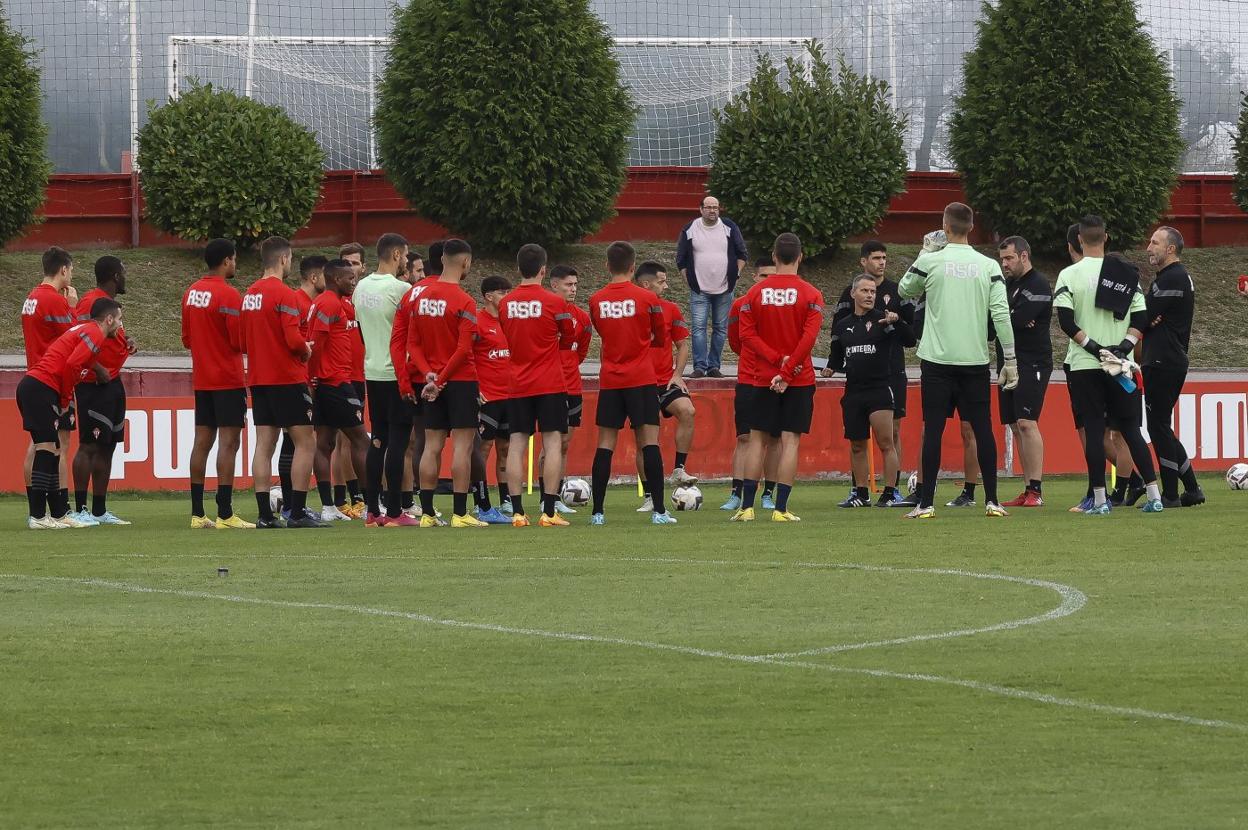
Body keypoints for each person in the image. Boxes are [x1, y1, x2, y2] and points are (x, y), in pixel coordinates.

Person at [898, 203, 1017, 519]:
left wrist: (925, 252)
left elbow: (904, 288)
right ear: (972, 226)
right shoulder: (988, 265)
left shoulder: (933, 261)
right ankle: (992, 501)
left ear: (945, 226)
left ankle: (925, 504)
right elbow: (1001, 314)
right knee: (983, 429)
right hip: (974, 360)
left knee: (934, 429)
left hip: (937, 360)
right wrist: (1012, 359)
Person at [1053, 215, 1163, 514]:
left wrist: (1095, 348)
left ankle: (1100, 501)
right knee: (1130, 430)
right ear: (1106, 238)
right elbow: (1141, 318)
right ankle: (1154, 496)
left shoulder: (1069, 275)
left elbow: (1065, 321)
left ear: (1079, 240)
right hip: (1120, 365)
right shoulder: (1126, 274)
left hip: (1086, 366)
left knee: (1093, 428)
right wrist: (1122, 348)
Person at [734, 232, 825, 523]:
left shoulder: (754, 294)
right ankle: (780, 509)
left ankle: (746, 508)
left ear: (774, 257)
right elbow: (809, 338)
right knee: (790, 442)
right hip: (798, 378)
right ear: (800, 257)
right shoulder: (811, 294)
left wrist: (776, 362)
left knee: (757, 440)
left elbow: (746, 335)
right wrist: (788, 369)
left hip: (762, 377)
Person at [241, 236, 326, 529]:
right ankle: (297, 511)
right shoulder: (285, 295)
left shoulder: (249, 294)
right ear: (283, 259)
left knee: (264, 444)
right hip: (286, 378)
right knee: (306, 442)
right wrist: (307, 348)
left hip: (259, 377)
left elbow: (242, 339)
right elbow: (292, 340)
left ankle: (265, 514)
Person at [588, 241, 674, 525]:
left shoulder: (596, 300)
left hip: (611, 380)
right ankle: (659, 511)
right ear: (633, 267)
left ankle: (598, 512)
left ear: (607, 265)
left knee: (605, 444)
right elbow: (661, 338)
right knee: (649, 442)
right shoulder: (648, 299)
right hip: (641, 378)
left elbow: (601, 331)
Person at [17, 298, 123, 529]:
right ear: (108, 319)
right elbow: (72, 365)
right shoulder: (95, 334)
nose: (120, 326)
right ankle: (37, 516)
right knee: (46, 448)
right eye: (119, 320)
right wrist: (65, 399)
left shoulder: (89, 330)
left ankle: (56, 514)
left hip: (39, 387)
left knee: (54, 449)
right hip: (40, 387)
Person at [402, 238, 485, 528]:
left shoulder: (421, 297)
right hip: (460, 380)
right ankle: (460, 514)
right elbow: (464, 349)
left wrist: (429, 376)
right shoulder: (465, 301)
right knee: (462, 447)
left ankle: (426, 513)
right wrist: (444, 379)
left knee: (431, 445)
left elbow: (412, 343)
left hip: (431, 382)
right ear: (465, 262)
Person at [826, 240, 914, 506]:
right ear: (853, 294)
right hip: (854, 390)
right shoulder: (843, 326)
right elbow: (837, 355)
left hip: (880, 388)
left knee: (886, 441)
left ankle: (889, 492)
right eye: (864, 290)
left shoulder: (884, 320)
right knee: (856, 443)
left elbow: (910, 340)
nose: (869, 295)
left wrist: (897, 322)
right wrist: (830, 366)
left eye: (872, 291)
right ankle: (860, 493)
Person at [497, 243, 577, 527]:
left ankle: (518, 512)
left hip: (517, 382)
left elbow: (507, 333)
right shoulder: (556, 303)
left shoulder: (505, 303)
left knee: (517, 443)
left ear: (518, 269)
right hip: (550, 382)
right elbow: (568, 338)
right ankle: (550, 511)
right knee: (553, 442)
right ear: (544, 270)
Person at [182, 239, 253, 529]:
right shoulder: (229, 295)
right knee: (229, 443)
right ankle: (225, 513)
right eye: (234, 259)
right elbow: (239, 341)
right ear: (226, 261)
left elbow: (186, 338)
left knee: (202, 442)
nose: (235, 264)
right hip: (227, 378)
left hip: (203, 380)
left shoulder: (190, 293)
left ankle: (198, 513)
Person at [69, 256, 137, 526]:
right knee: (89, 445)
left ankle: (99, 510)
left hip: (114, 383)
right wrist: (96, 368)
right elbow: (77, 337)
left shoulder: (110, 306)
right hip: (93, 385)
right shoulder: (89, 301)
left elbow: (110, 334)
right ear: (114, 276)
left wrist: (127, 340)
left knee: (108, 446)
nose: (125, 276)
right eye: (123, 271)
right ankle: (80, 509)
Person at [354, 232, 414, 526]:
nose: (407, 260)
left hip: (372, 370)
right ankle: (393, 512)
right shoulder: (401, 289)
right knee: (398, 442)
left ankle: (371, 510)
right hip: (396, 373)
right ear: (395, 255)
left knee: (377, 439)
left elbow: (362, 331)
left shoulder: (360, 287)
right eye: (405, 255)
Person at [1142, 226, 1203, 507]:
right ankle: (1191, 488)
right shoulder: (1174, 277)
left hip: (1163, 360)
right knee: (1161, 427)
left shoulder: (1172, 277)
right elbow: (1148, 315)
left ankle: (1169, 494)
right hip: (1167, 359)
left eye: (1154, 242)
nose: (1148, 247)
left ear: (1170, 249)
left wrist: (1146, 318)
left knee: (1158, 428)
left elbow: (1142, 314)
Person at [307, 259, 372, 526]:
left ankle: (327, 506)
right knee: (361, 440)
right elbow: (317, 343)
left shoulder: (328, 303)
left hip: (327, 382)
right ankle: (371, 503)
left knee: (325, 443)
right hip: (335, 382)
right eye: (348, 278)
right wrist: (314, 377)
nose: (353, 281)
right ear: (334, 279)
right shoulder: (330, 304)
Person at [633, 260, 698, 516]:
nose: (666, 285)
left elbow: (682, 345)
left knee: (688, 411)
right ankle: (649, 495)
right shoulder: (632, 308)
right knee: (643, 441)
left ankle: (679, 468)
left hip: (665, 381)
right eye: (661, 281)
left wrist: (678, 374)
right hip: (639, 382)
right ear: (646, 283)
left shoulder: (671, 309)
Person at [996, 236, 1052, 507]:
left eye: (1009, 258)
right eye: (1002, 259)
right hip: (1008, 362)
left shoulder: (1038, 284)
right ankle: (1028, 487)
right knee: (1016, 425)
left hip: (1032, 362)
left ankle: (1036, 491)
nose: (1004, 263)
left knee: (1028, 423)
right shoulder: (1007, 286)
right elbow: (999, 319)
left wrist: (1008, 316)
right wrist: (1008, 316)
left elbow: (1014, 319)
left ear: (1024, 256)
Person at [21, 246, 77, 521]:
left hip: (35, 373)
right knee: (55, 445)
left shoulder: (31, 297)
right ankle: (54, 511)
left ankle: (45, 511)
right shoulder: (54, 300)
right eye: (71, 269)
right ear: (63, 269)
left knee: (39, 444)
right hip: (50, 378)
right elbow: (75, 338)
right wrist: (74, 307)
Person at [272, 254, 329, 519]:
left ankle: (292, 505)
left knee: (295, 441)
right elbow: (293, 342)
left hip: (303, 378)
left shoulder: (311, 303)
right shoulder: (297, 301)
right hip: (295, 379)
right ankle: (291, 505)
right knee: (293, 441)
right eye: (325, 276)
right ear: (315, 277)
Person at [724, 257, 782, 511]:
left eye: (772, 276)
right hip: (749, 379)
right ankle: (736, 492)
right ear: (754, 278)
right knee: (745, 437)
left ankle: (768, 493)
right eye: (763, 276)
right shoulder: (740, 305)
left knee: (775, 438)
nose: (767, 281)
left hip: (778, 379)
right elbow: (736, 342)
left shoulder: (784, 306)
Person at [675, 195, 748, 378]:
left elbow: (742, 254)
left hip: (725, 288)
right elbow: (681, 259)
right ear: (701, 209)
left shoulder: (729, 227)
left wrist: (736, 274)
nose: (712, 210)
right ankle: (699, 366)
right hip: (699, 289)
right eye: (708, 207)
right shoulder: (690, 228)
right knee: (698, 328)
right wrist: (689, 280)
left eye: (715, 207)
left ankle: (714, 365)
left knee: (720, 328)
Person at [546, 265, 593, 515]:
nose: (573, 289)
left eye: (575, 284)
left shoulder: (583, 319)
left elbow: (580, 352)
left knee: (564, 443)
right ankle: (546, 498)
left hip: (572, 387)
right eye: (568, 284)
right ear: (554, 285)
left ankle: (556, 493)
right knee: (549, 442)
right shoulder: (544, 312)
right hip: (548, 386)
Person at [471, 275, 514, 525]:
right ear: (489, 296)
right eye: (502, 292)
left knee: (506, 449)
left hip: (511, 395)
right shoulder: (477, 321)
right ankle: (480, 501)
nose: (507, 297)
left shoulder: (511, 322)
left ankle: (506, 498)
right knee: (483, 449)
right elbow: (466, 354)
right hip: (488, 396)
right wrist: (474, 387)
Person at [334, 241, 369, 516]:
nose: (352, 269)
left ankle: (354, 496)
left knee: (354, 439)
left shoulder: (366, 298)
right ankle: (349, 497)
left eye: (355, 263)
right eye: (346, 264)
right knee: (342, 440)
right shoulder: (335, 301)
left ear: (363, 267)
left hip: (361, 374)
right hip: (339, 377)